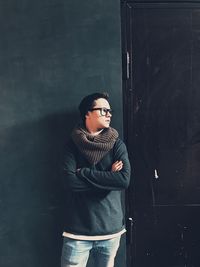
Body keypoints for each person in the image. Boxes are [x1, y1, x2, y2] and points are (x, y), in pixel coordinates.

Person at [61, 92, 131, 267]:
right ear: (87, 113)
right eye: (103, 110)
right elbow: (70, 183)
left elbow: (123, 181)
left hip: (110, 230)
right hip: (78, 231)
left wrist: (84, 173)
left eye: (110, 111)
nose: (109, 114)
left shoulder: (117, 144)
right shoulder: (71, 145)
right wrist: (108, 181)